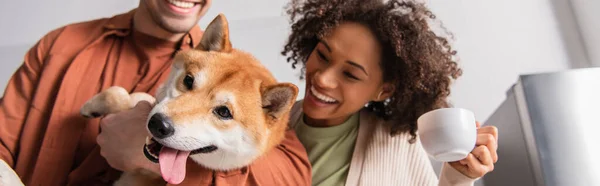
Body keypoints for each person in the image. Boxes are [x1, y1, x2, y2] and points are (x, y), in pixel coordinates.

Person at [0, 0, 310, 185]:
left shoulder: (241, 76)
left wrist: (146, 158)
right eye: (188, 83)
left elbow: (291, 176)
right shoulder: (61, 46)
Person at [280, 0, 499, 185]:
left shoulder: (398, 145)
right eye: (322, 55)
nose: (322, 78)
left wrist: (459, 176)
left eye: (350, 75)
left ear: (383, 91)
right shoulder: (266, 120)